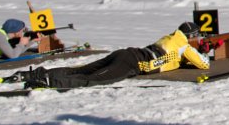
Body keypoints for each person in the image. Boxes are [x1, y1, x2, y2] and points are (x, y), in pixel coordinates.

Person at [11, 22, 210, 89]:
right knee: (90, 80)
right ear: (191, 36)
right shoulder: (184, 46)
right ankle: (50, 82)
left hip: (126, 53)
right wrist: (203, 52)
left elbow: (170, 55)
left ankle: (37, 74)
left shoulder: (170, 38)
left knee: (81, 69)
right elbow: (203, 64)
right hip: (133, 64)